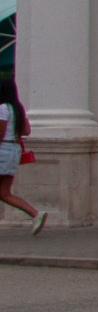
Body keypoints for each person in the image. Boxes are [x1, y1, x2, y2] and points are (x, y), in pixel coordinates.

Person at [0, 75, 42, 236]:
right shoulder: (18, 108)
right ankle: (35, 214)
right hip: (14, 150)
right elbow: (26, 131)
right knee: (4, 193)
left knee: (4, 193)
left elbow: (0, 133)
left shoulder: (3, 108)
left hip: (3, 150)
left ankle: (35, 214)